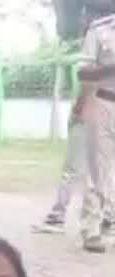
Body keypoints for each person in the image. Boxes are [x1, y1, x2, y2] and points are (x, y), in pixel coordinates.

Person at [77, 4, 115, 252]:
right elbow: (83, 72)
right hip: (105, 103)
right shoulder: (101, 30)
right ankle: (91, 229)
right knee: (98, 168)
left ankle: (109, 219)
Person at [36, 89, 91, 234]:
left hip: (89, 117)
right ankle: (104, 221)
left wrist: (77, 112)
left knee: (71, 170)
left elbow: (91, 83)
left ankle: (57, 218)